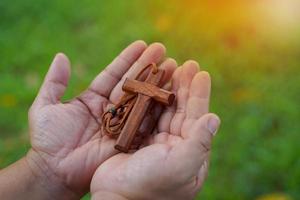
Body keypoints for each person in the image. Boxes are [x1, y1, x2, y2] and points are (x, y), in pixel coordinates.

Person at [0, 41, 220, 200]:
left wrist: (44, 173)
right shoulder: (137, 88)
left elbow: (165, 96)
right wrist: (44, 170)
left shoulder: (153, 92)